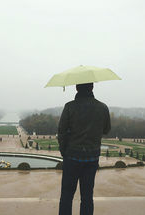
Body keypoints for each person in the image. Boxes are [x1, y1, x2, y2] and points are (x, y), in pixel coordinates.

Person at [58, 83, 111, 215]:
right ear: (92, 87)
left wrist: (64, 151)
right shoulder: (102, 107)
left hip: (72, 157)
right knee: (87, 197)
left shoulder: (70, 106)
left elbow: (61, 132)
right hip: (92, 157)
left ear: (76, 88)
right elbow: (106, 130)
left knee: (66, 196)